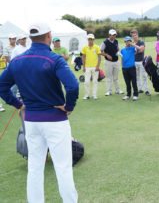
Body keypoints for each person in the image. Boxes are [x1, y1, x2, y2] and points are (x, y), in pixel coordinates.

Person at [0, 22, 79, 202]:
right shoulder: (54, 59)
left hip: (31, 121)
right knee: (63, 167)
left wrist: (17, 104)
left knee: (35, 167)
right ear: (49, 36)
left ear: (30, 38)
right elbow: (73, 86)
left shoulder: (17, 61)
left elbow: (1, 86)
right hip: (55, 121)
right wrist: (69, 107)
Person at [101, 29, 123, 96]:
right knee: (109, 77)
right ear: (109, 35)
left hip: (116, 62)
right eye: (112, 35)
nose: (114, 36)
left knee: (116, 77)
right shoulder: (105, 42)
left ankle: (117, 90)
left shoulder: (116, 41)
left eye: (115, 35)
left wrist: (118, 52)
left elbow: (118, 49)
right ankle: (109, 91)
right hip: (108, 62)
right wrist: (107, 55)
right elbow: (101, 51)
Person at [81, 33, 101, 100]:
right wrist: (83, 66)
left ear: (93, 40)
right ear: (87, 40)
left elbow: (99, 57)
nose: (90, 41)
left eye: (91, 39)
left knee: (95, 81)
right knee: (86, 81)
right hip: (87, 67)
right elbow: (83, 57)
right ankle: (87, 95)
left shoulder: (97, 47)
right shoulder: (84, 47)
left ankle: (94, 95)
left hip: (95, 67)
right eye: (89, 39)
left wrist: (98, 66)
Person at [131, 29, 150, 96]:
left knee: (144, 76)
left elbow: (141, 50)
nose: (134, 37)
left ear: (137, 35)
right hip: (134, 62)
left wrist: (134, 45)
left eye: (135, 35)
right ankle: (139, 88)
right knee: (136, 76)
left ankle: (146, 89)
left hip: (141, 61)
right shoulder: (131, 43)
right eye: (133, 36)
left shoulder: (141, 42)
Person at [120, 36, 140, 101]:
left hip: (132, 68)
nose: (127, 42)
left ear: (130, 41)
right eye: (126, 41)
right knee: (127, 82)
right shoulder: (122, 50)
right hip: (124, 68)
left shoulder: (133, 48)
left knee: (134, 82)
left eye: (128, 41)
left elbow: (139, 49)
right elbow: (122, 59)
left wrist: (132, 44)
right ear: (124, 42)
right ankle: (128, 95)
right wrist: (122, 67)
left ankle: (135, 95)